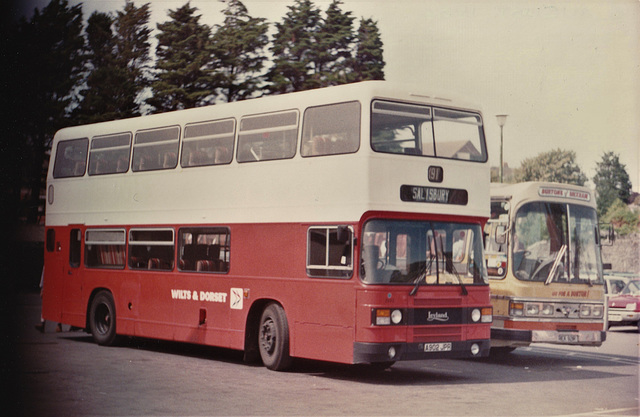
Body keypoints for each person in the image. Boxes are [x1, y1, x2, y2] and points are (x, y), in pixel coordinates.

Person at [35, 267, 62, 333]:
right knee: (46, 305)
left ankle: (59, 324)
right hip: (50, 284)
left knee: (57, 304)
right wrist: (42, 288)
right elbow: (44, 273)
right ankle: (43, 323)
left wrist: (42, 288)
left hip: (55, 284)